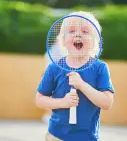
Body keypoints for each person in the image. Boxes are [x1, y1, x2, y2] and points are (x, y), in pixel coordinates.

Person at [36, 11, 114, 141]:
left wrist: (82, 85)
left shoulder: (100, 68)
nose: (78, 34)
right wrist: (63, 102)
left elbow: (107, 103)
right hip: (56, 135)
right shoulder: (54, 68)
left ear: (95, 41)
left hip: (87, 137)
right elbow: (39, 100)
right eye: (72, 31)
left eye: (85, 31)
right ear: (63, 40)